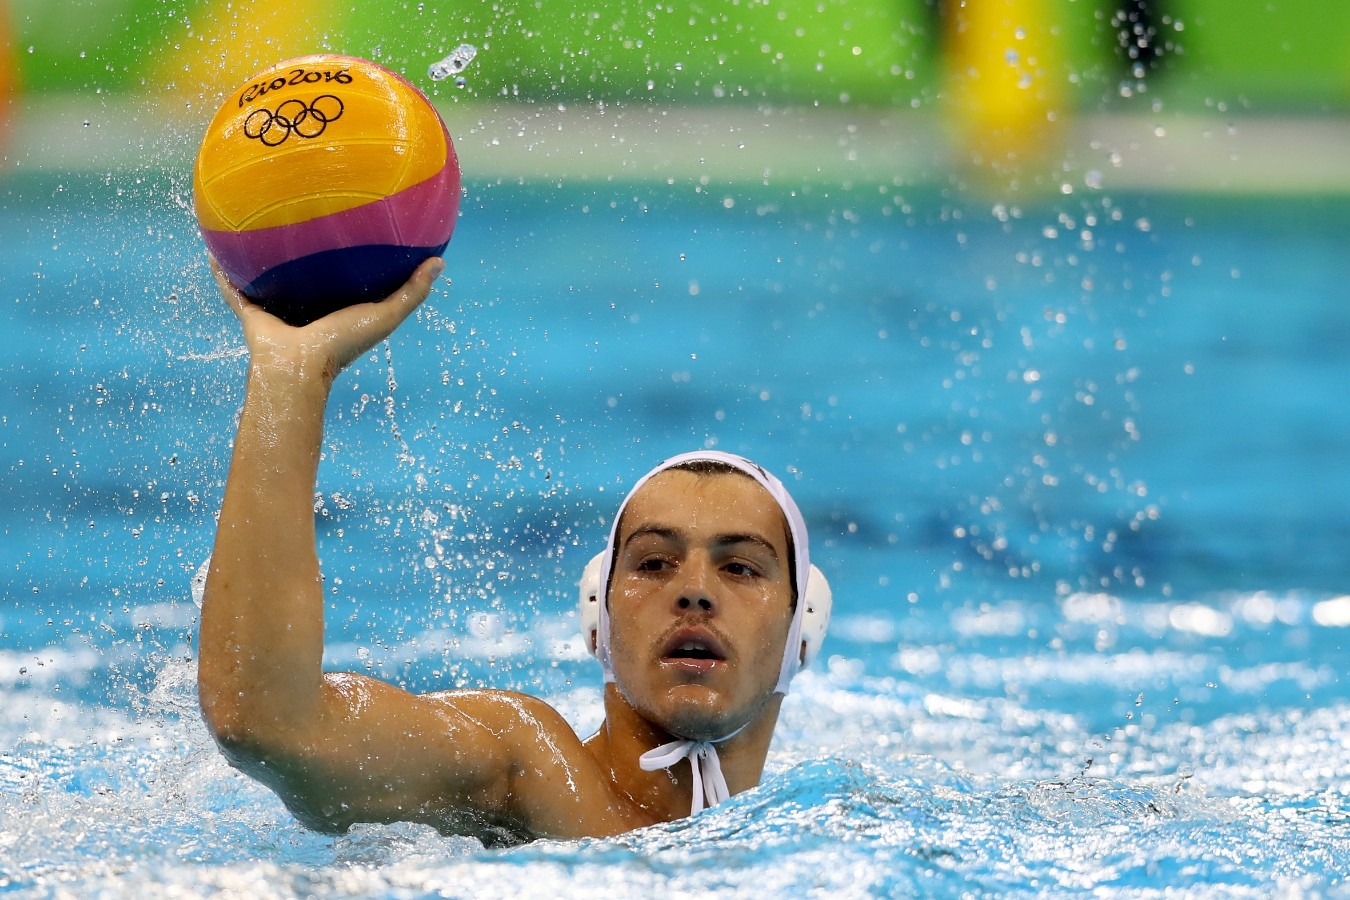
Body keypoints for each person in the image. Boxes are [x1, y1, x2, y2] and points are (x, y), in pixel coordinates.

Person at [197, 257, 831, 846]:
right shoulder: (524, 767)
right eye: (653, 563)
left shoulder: (826, 833)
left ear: (803, 629)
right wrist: (292, 376)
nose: (694, 589)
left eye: (741, 567)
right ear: (598, 619)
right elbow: (268, 723)